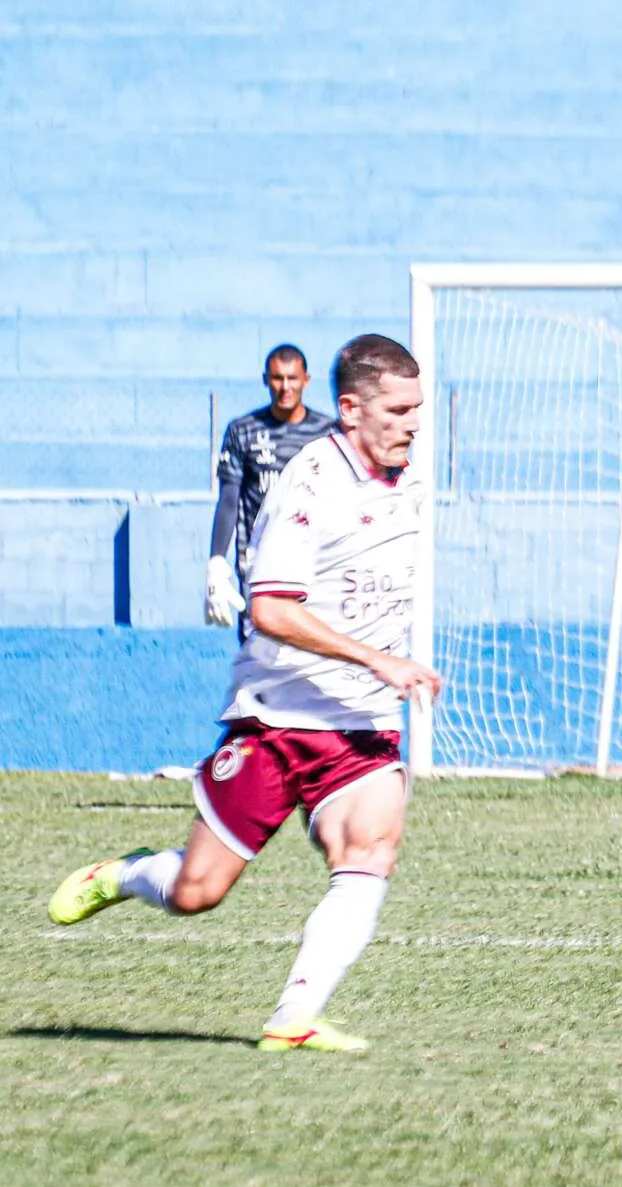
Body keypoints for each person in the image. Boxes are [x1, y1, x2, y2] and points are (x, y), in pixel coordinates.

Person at [49, 335, 441, 1053]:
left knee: (371, 845)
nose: (416, 422)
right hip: (277, 717)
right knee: (196, 891)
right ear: (351, 410)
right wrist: (376, 656)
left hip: (359, 722)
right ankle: (127, 872)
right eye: (399, 408)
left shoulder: (411, 478)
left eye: (421, 407)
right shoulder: (310, 483)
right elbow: (271, 608)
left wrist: (385, 667)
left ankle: (294, 1016)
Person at [207, 344, 338, 636]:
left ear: (306, 380)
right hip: (259, 562)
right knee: (259, 655)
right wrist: (216, 561)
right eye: (278, 378)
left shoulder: (329, 432)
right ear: (266, 379)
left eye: (293, 378)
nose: (285, 387)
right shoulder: (244, 430)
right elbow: (229, 499)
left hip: (315, 564)